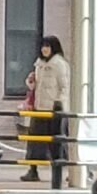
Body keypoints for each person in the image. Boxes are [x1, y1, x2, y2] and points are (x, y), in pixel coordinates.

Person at [20, 35, 71, 184]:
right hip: (39, 107)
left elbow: (65, 86)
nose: (45, 49)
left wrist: (59, 103)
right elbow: (36, 86)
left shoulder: (59, 64)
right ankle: (33, 170)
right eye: (43, 46)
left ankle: (63, 171)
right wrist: (30, 83)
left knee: (57, 142)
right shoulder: (39, 64)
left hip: (54, 109)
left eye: (48, 46)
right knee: (34, 141)